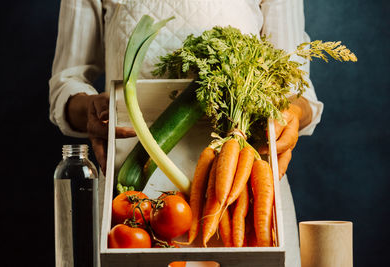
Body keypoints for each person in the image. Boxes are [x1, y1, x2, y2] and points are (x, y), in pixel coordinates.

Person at [49, 0, 323, 266]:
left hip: (245, 183)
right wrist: (88, 110)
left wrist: (293, 112)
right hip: (134, 199)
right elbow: (66, 84)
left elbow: (298, 88)